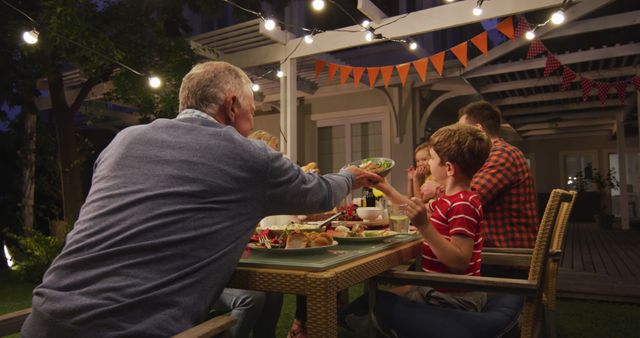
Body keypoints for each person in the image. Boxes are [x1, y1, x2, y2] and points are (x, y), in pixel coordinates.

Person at [21, 61, 382, 337]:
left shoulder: (123, 141)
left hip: (44, 321)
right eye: (252, 110)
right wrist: (351, 175)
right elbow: (319, 195)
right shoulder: (250, 156)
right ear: (232, 104)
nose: (253, 118)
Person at [342, 123, 491, 336]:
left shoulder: (462, 205)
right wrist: (384, 187)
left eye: (431, 158)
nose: (427, 163)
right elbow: (409, 207)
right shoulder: (449, 199)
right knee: (366, 303)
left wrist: (423, 225)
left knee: (360, 311)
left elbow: (459, 261)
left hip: (452, 298)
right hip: (436, 288)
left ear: (448, 168)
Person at [212, 130, 283, 338]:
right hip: (208, 277)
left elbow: (252, 233)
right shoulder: (230, 188)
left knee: (275, 291)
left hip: (230, 269)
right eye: (272, 156)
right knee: (254, 298)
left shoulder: (251, 190)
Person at [458, 101, 538, 251]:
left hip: (508, 258)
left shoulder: (502, 154)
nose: (459, 138)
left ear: (478, 130)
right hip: (499, 251)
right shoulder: (491, 154)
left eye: (462, 131)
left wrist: (436, 190)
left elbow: (469, 201)